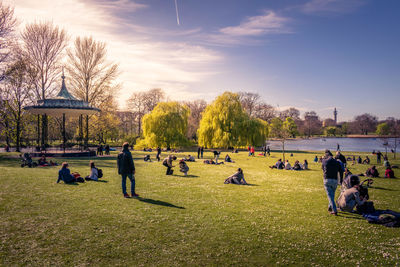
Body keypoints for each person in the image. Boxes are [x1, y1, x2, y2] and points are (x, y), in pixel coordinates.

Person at [322, 149, 340, 215]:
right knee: (332, 195)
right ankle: (330, 206)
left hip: (327, 179)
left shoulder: (324, 160)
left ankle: (334, 210)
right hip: (335, 180)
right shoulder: (336, 162)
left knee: (330, 196)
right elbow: (340, 170)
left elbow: (323, 169)